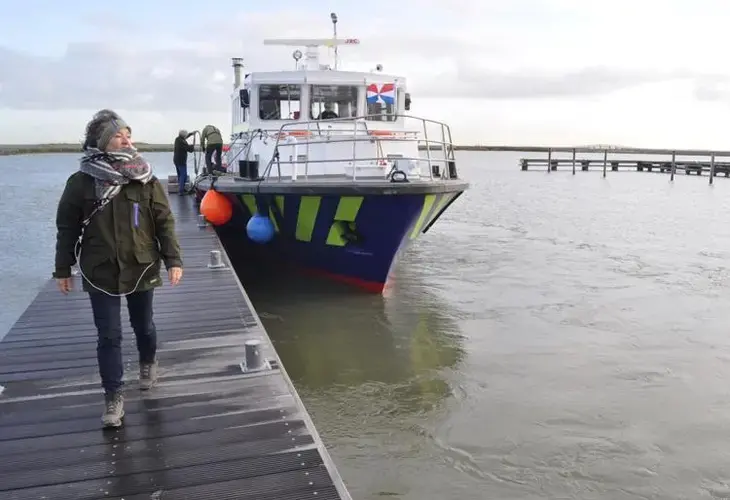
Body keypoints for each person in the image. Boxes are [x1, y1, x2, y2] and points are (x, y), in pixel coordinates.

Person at [53, 109, 184, 429]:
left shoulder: (146, 178)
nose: (126, 139)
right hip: (99, 268)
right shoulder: (81, 181)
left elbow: (164, 222)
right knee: (109, 335)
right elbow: (67, 227)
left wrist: (173, 259)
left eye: (128, 134)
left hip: (141, 263)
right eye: (117, 135)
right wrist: (62, 268)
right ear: (101, 141)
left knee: (144, 326)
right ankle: (113, 397)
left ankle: (148, 362)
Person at [173, 129, 195, 194]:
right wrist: (193, 144)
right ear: (184, 136)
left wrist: (191, 134)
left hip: (176, 160)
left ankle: (181, 189)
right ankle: (181, 191)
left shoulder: (177, 139)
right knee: (183, 175)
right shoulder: (182, 142)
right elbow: (190, 149)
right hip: (181, 161)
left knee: (180, 175)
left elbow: (185, 137)